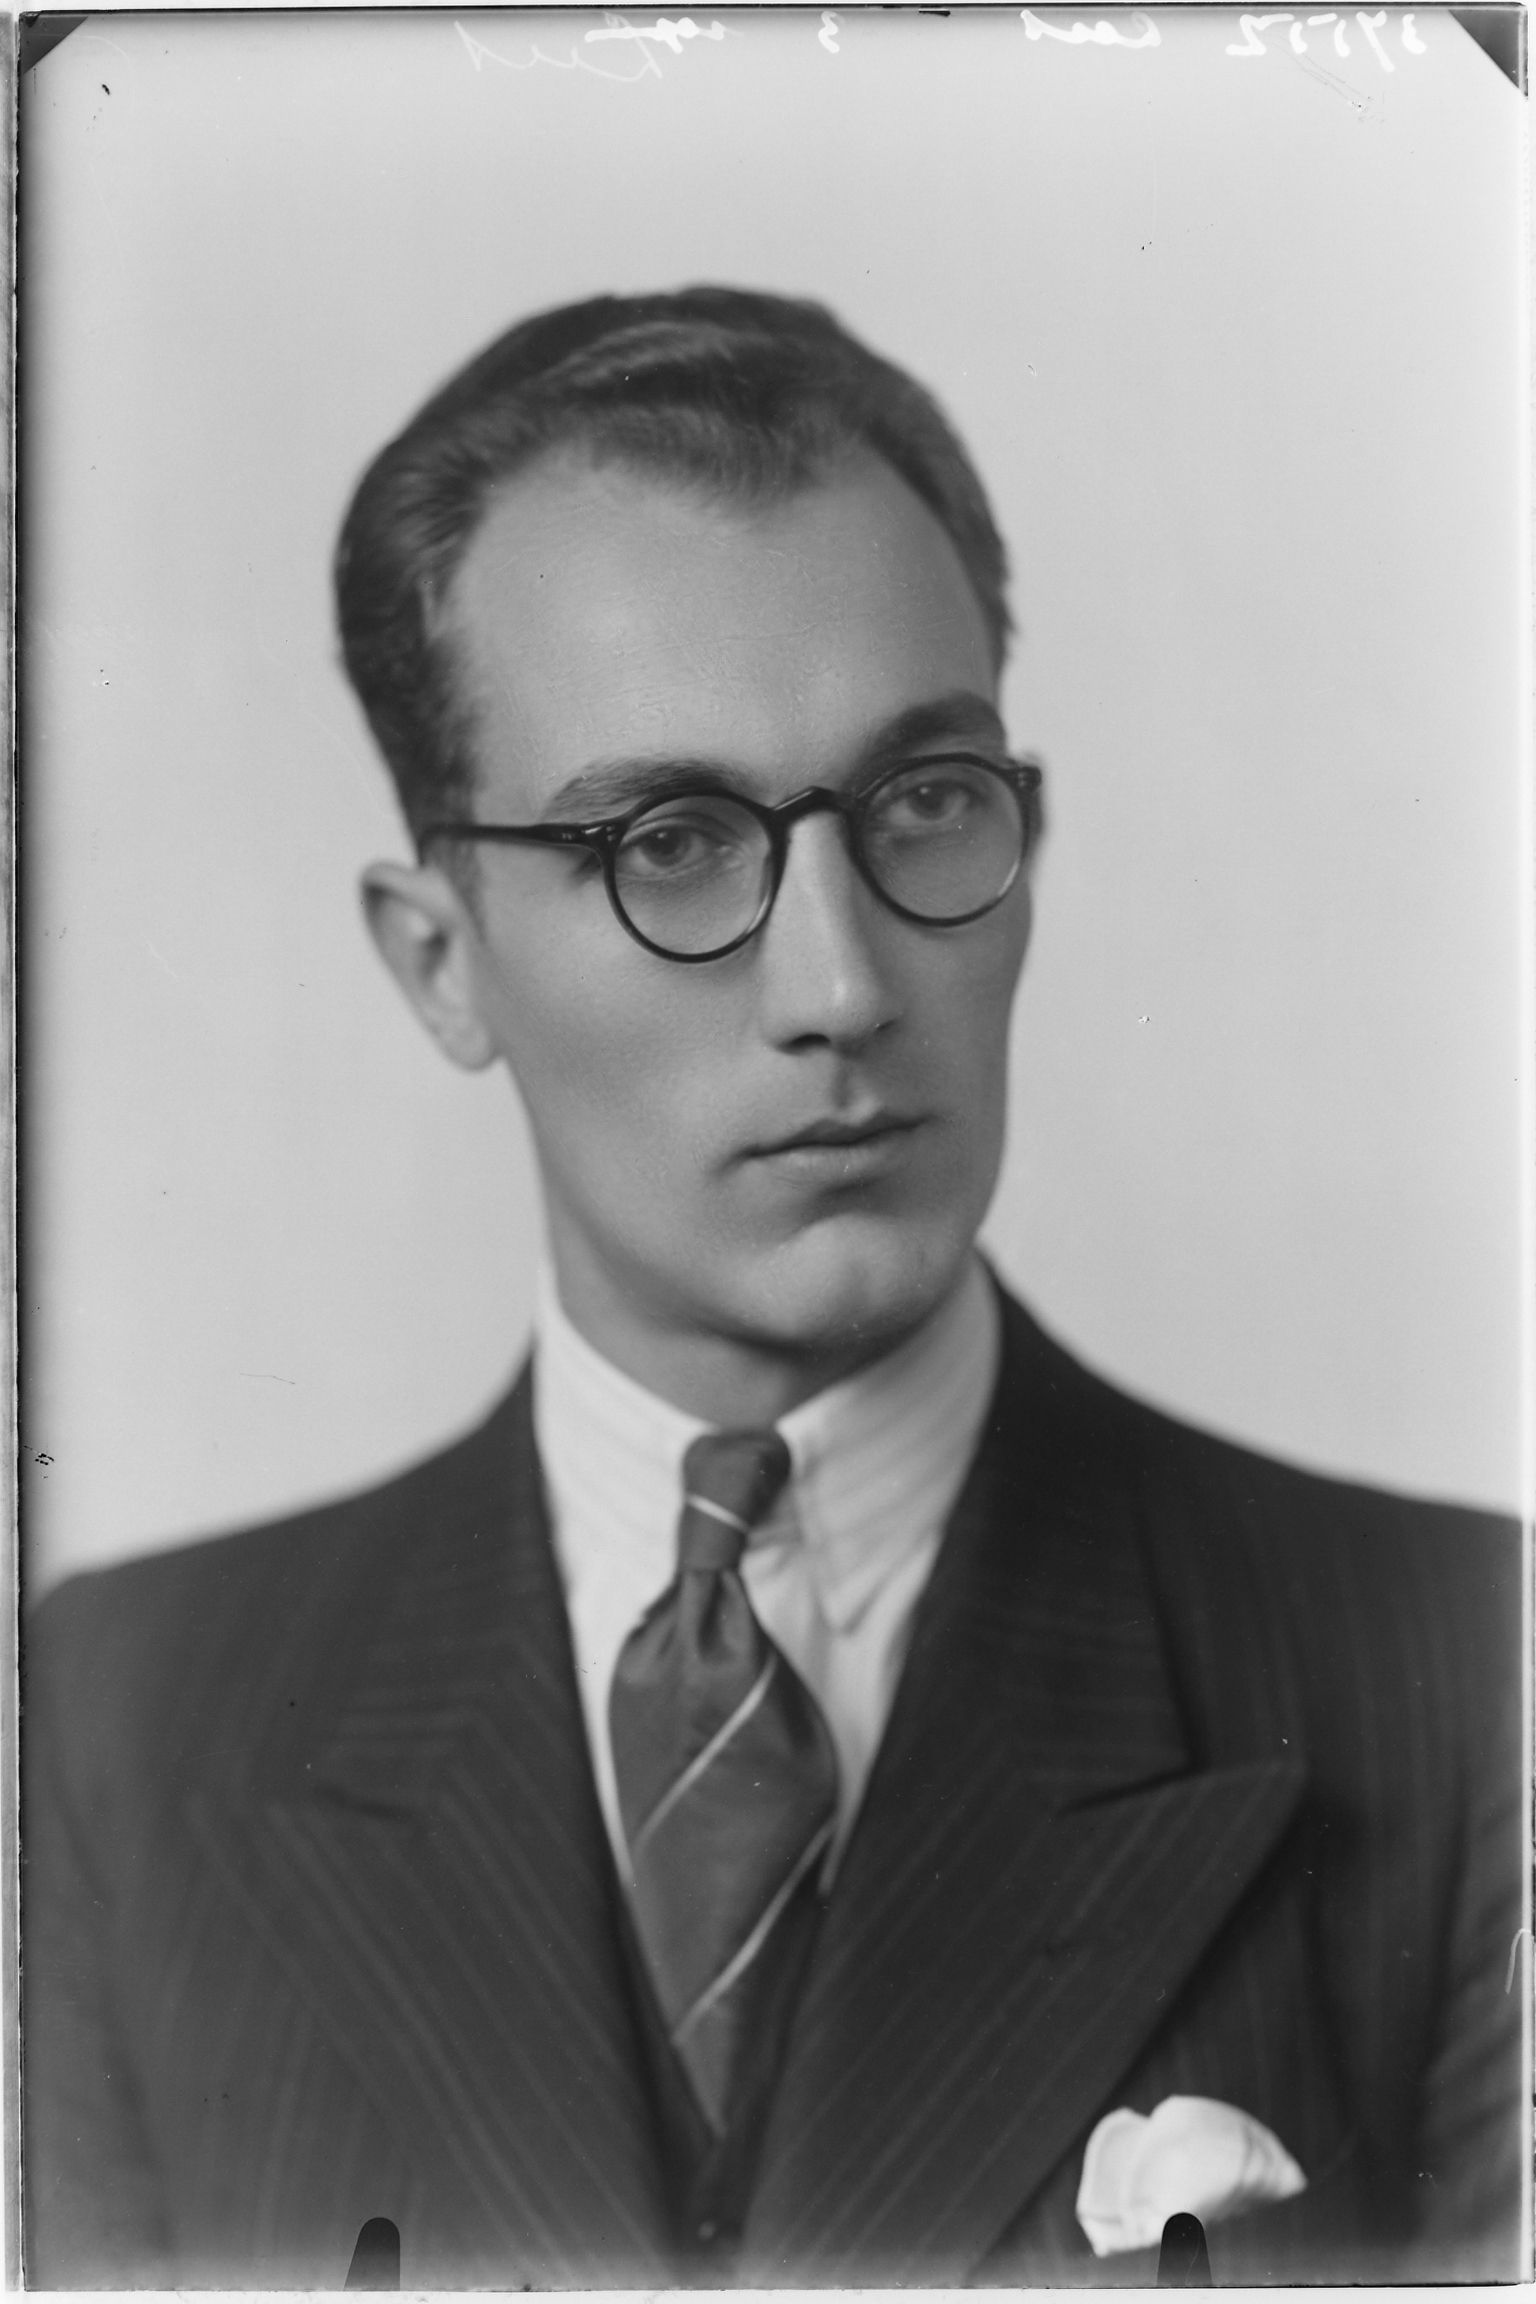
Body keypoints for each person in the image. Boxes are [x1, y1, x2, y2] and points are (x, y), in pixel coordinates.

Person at [23, 287, 1524, 2290]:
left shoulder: (1465, 1680)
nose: (841, 987)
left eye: (927, 804)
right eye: (673, 842)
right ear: (441, 961)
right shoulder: (109, 1736)